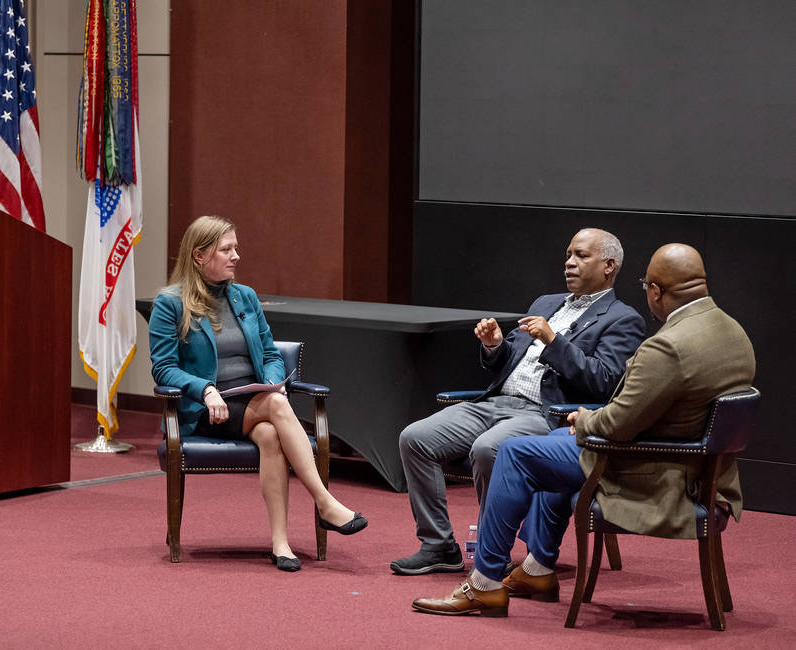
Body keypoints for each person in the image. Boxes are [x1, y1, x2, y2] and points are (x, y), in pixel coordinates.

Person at [410, 243, 756, 616]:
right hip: (697, 466)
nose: (570, 262)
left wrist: (584, 420)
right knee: (551, 443)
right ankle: (537, 569)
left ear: (655, 291)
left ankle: (485, 584)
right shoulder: (733, 332)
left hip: (658, 469)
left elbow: (619, 422)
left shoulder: (667, 345)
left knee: (516, 452)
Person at [391, 228, 646, 576]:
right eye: (568, 254)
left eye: (581, 256)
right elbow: (510, 358)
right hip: (495, 402)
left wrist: (554, 341)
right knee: (415, 438)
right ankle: (438, 545)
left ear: (608, 266)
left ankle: (491, 551)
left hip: (547, 413)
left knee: (488, 449)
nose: (569, 263)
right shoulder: (545, 303)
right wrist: (495, 346)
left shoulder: (622, 319)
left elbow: (604, 381)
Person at [148, 215, 367, 572]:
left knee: (269, 434)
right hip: (207, 409)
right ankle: (325, 503)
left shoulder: (244, 297)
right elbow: (163, 368)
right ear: (199, 256)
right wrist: (204, 390)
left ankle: (281, 544)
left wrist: (274, 380)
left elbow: (269, 355)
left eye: (236, 247)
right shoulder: (170, 304)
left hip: (255, 400)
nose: (236, 255)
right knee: (277, 408)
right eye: (226, 249)